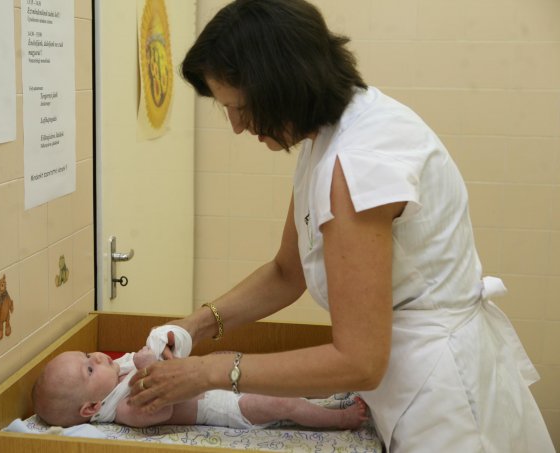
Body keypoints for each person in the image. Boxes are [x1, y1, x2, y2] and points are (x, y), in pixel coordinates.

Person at [125, 1, 556, 452]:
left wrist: (211, 371)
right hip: (413, 386)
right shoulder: (328, 138)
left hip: (447, 406)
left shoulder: (358, 163)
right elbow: (286, 272)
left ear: (282, 85)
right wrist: (194, 327)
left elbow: (359, 361)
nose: (236, 126)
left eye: (241, 107)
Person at [31, 346, 368, 430]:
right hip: (225, 408)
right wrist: (148, 367)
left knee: (271, 374)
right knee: (283, 404)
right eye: (89, 368)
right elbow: (162, 408)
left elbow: (170, 370)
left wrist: (163, 354)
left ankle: (328, 390)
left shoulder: (116, 373)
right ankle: (340, 420)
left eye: (87, 355)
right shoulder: (121, 409)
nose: (97, 357)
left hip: (215, 381)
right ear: (92, 407)